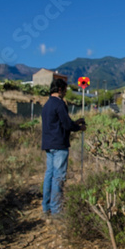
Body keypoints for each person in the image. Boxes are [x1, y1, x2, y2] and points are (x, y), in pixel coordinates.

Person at [41, 78, 86, 217]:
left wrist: (74, 122)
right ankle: (56, 210)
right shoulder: (60, 104)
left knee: (49, 175)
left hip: (48, 144)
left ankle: (46, 207)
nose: (66, 92)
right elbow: (66, 125)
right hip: (59, 145)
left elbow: (58, 123)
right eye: (65, 89)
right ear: (60, 89)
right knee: (58, 177)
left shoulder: (47, 105)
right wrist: (79, 127)